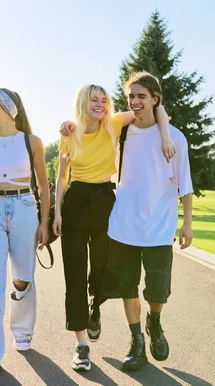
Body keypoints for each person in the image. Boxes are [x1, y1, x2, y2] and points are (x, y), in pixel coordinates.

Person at [54, 84, 174, 371]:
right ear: (82, 103)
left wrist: (166, 135)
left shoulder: (115, 123)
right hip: (75, 202)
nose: (99, 104)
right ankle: (81, 345)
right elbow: (61, 178)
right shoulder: (69, 133)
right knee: (74, 275)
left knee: (102, 268)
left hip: (105, 202)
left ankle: (96, 305)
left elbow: (156, 109)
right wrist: (57, 213)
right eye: (93, 100)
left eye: (103, 100)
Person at [100, 71, 193, 370]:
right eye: (131, 96)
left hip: (159, 228)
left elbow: (185, 185)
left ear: (155, 99)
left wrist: (187, 222)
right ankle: (136, 342)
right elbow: (93, 121)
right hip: (124, 225)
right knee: (127, 287)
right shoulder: (121, 133)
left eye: (142, 96)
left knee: (157, 290)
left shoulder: (175, 138)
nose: (135, 101)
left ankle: (155, 320)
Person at [0, 87, 50, 373]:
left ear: (9, 108)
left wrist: (45, 222)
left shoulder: (31, 142)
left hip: (25, 207)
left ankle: (22, 330)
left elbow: (43, 185)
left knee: (23, 277)